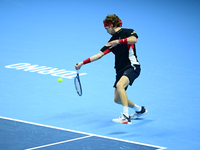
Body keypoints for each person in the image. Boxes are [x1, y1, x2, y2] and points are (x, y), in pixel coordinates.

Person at [75, 14, 147, 124]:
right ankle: (139, 110)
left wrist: (118, 42)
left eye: (106, 28)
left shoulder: (128, 32)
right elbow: (99, 55)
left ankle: (125, 116)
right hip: (120, 70)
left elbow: (134, 40)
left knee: (120, 85)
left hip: (132, 66)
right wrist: (82, 63)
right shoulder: (111, 41)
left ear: (111, 25)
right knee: (117, 99)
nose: (106, 31)